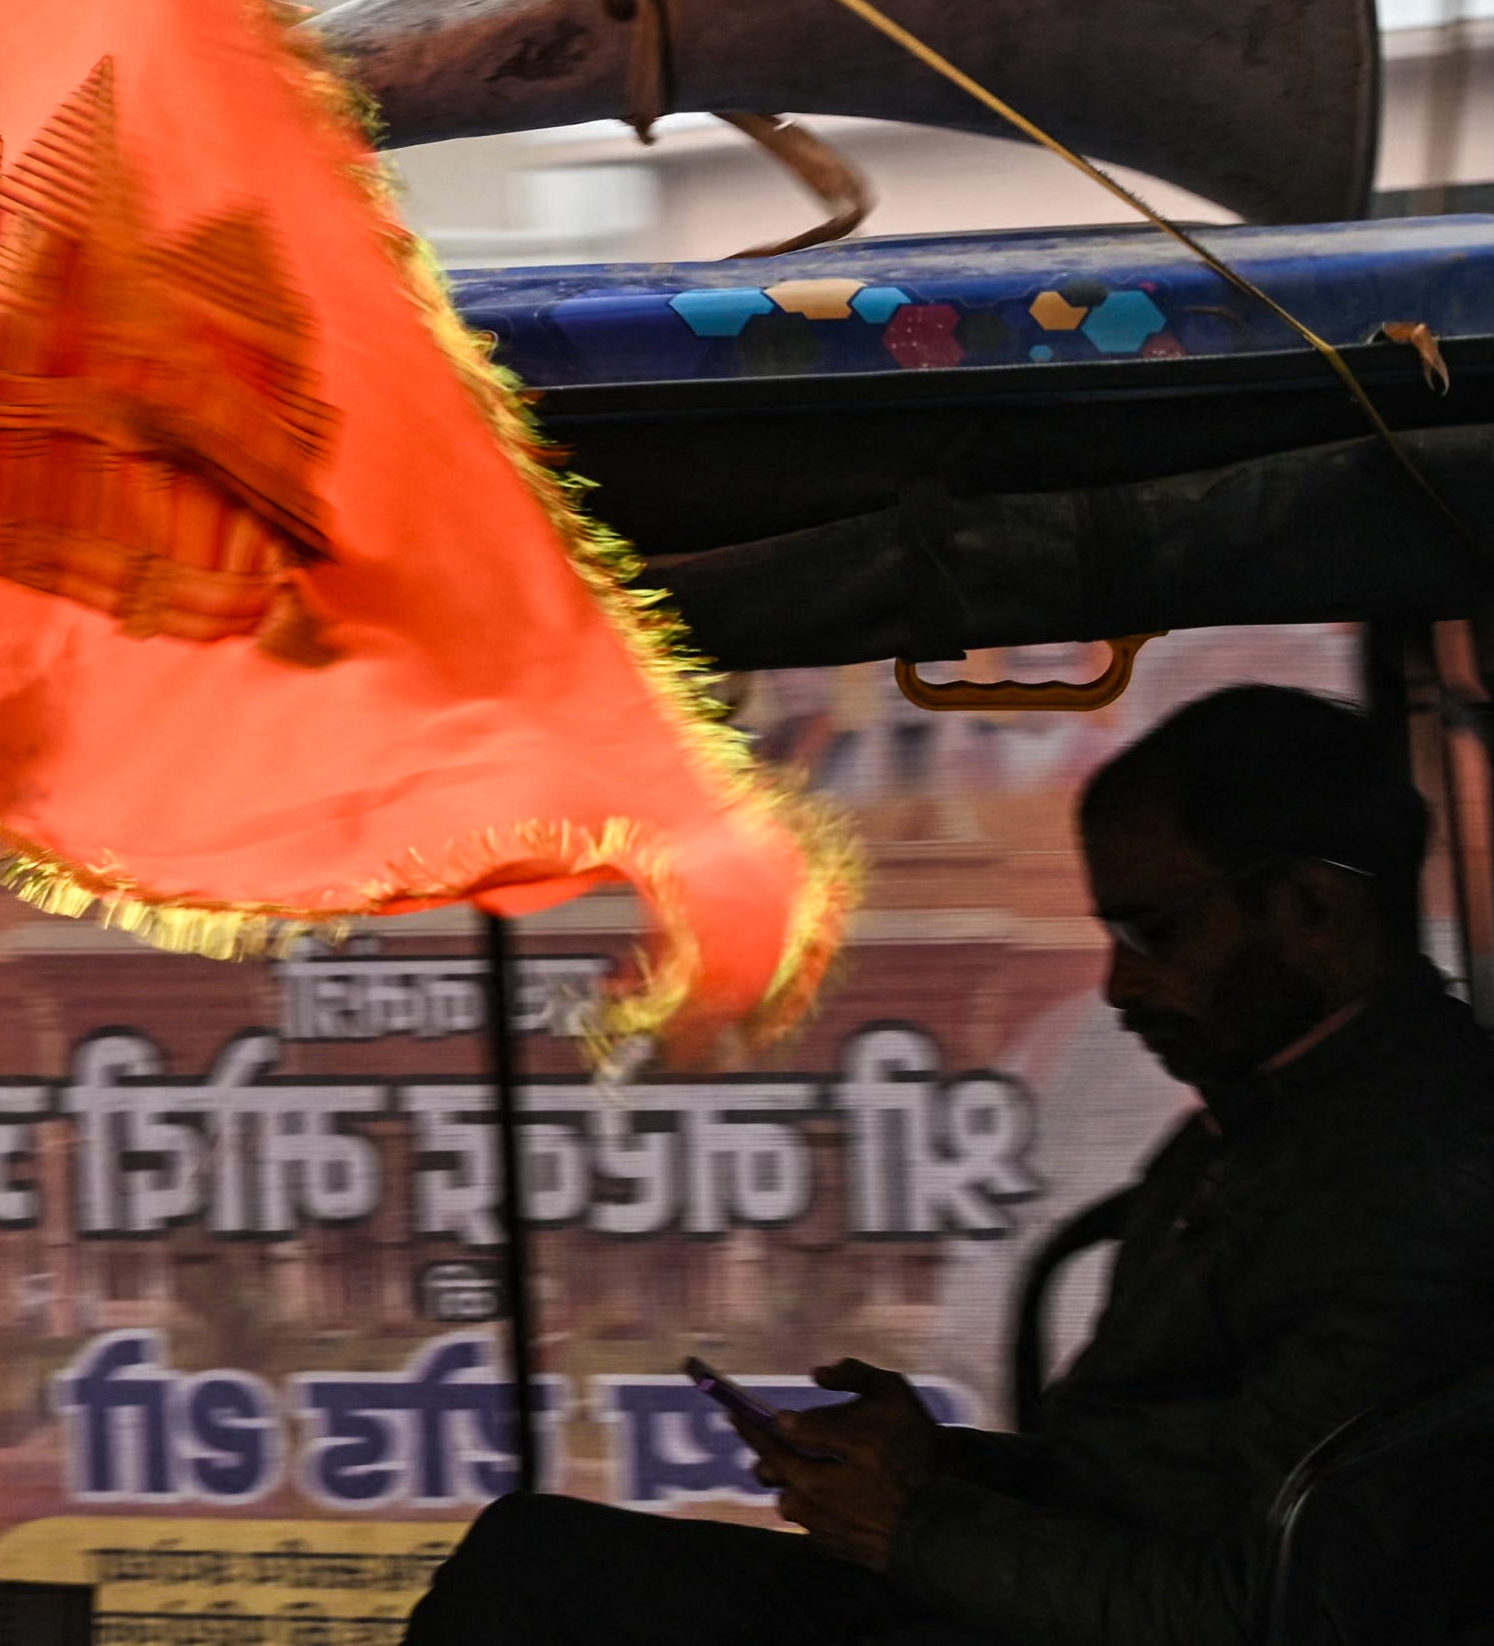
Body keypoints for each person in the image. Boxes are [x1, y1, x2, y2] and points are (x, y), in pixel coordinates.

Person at [405, 681, 1494, 1645]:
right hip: (1034, 1584)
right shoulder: (1269, 1115)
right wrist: (935, 1469)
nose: (1119, 987)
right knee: (535, 1559)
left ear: (1310, 907)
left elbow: (1266, 1603)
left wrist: (913, 1526)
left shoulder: (1395, 1179)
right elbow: (1135, 1479)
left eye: (1154, 933)